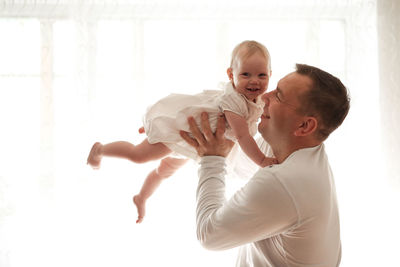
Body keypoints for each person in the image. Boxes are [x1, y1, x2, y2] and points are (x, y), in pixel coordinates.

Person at [87, 40, 277, 223]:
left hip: (195, 142)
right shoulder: (234, 101)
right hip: (182, 133)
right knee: (139, 155)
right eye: (245, 74)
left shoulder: (256, 99)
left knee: (166, 170)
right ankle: (100, 150)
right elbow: (243, 136)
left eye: (262, 75)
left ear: (270, 74)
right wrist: (262, 160)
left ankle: (141, 197)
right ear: (230, 74)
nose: (255, 81)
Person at [180, 63, 350, 267]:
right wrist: (170, 132)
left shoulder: (285, 181)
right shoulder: (300, 151)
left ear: (305, 126)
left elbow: (209, 235)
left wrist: (211, 159)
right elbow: (234, 163)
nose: (264, 96)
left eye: (278, 95)